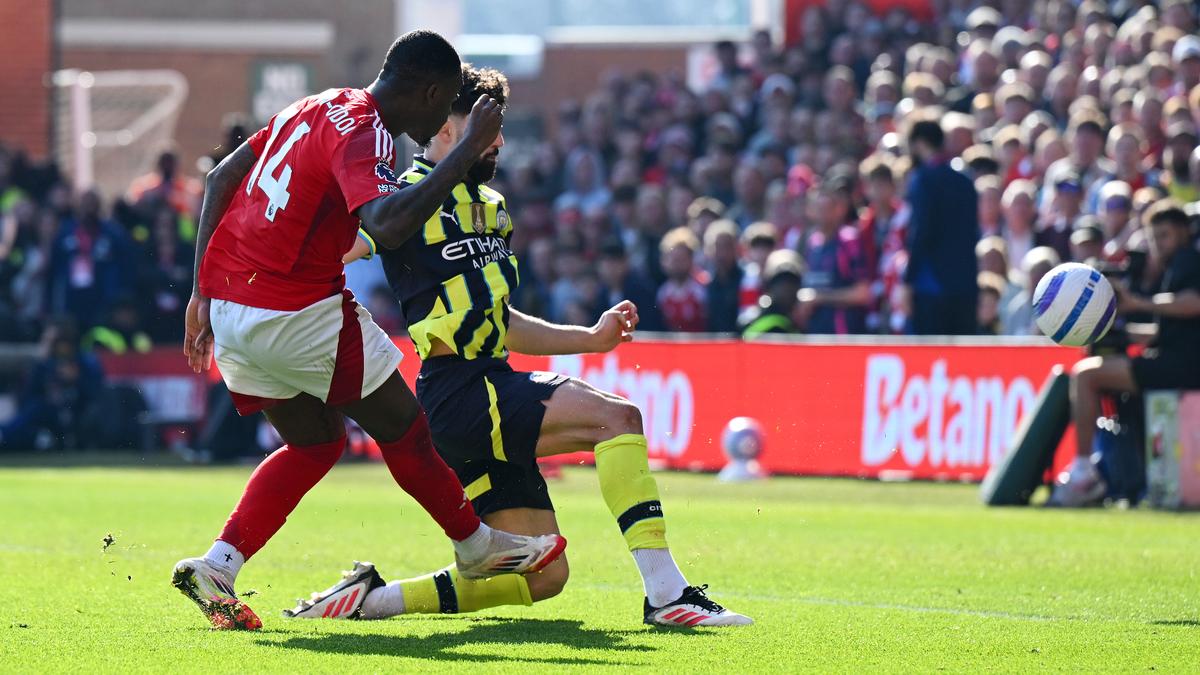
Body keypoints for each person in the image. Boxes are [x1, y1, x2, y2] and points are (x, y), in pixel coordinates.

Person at [289, 65, 749, 627]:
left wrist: (590, 338)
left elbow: (501, 321)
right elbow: (325, 253)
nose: (500, 140)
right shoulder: (401, 201)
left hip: (486, 385)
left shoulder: (492, 206)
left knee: (544, 577)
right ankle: (667, 595)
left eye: (500, 126)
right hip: (460, 391)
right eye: (487, 124)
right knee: (618, 418)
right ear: (446, 126)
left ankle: (371, 600)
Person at [172, 31, 564, 631]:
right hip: (294, 309)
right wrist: (464, 151)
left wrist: (200, 289)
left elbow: (223, 175)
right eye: (445, 105)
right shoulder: (366, 128)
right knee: (406, 428)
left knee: (315, 444)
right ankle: (475, 546)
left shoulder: (316, 104)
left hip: (230, 306)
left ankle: (218, 565)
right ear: (429, 92)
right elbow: (386, 223)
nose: (439, 125)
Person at [1051, 200, 1200, 507]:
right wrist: (1126, 330)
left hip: (1182, 365)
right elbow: (1175, 329)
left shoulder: (1188, 260)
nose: (1158, 244)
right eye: (1154, 237)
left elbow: (1193, 303)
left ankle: (1084, 473)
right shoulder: (1176, 266)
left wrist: (1137, 303)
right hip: (1178, 359)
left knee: (1086, 375)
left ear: (1184, 233)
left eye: (1165, 235)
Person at [903, 118, 980, 336]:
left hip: (931, 287)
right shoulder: (965, 181)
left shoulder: (923, 180)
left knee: (930, 354)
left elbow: (921, 232)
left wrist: (907, 280)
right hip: (965, 286)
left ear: (918, 143)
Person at [741, 250, 804, 337]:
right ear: (769, 285)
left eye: (792, 281)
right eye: (780, 281)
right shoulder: (757, 319)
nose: (786, 289)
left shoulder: (801, 320)